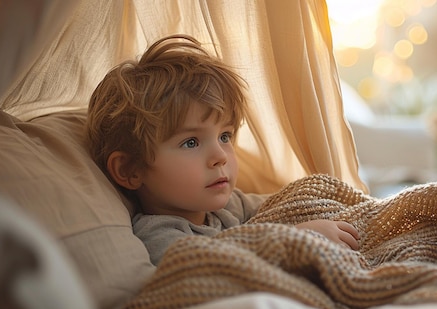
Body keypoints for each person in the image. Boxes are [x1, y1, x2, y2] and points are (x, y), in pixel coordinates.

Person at [85, 34, 359, 265]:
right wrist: (298, 240)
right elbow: (215, 268)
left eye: (225, 136)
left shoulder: (229, 205)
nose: (220, 157)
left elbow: (286, 206)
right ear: (130, 170)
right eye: (191, 142)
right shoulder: (160, 236)